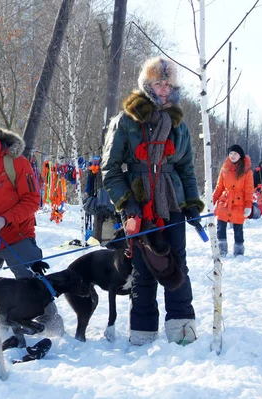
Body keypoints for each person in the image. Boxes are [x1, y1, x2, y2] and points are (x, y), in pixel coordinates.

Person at [101, 57, 204, 345]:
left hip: (172, 202)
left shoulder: (177, 123)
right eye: (158, 83)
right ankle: (143, 332)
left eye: (168, 84)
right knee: (143, 267)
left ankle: (182, 326)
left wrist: (192, 204)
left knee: (177, 264)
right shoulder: (126, 120)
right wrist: (127, 205)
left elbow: (186, 168)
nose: (163, 89)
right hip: (139, 203)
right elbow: (110, 170)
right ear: (147, 85)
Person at [0, 119, 64, 336]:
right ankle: (0, 327)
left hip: (18, 235)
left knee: (33, 282)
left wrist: (4, 220)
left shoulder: (17, 163)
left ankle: (51, 324)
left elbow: (32, 200)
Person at [213, 145, 254, 257]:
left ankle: (239, 251)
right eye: (230, 153)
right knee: (220, 226)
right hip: (224, 201)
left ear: (240, 155)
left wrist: (248, 205)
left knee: (238, 229)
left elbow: (249, 189)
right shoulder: (224, 168)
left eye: (235, 153)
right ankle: (222, 250)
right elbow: (219, 187)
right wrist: (212, 200)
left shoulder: (247, 170)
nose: (232, 156)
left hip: (239, 203)